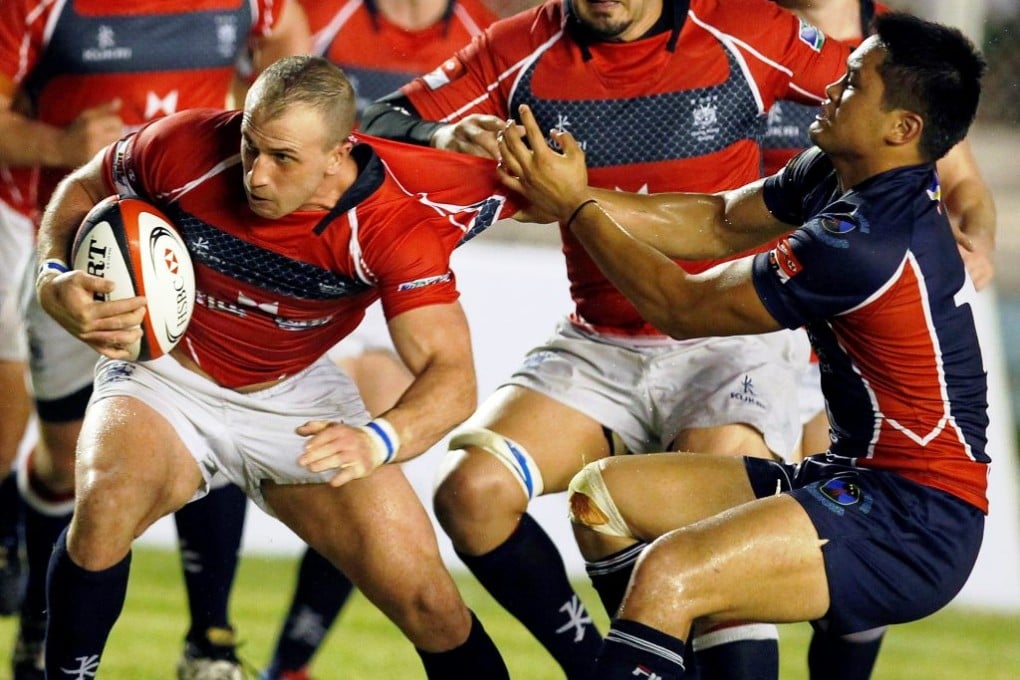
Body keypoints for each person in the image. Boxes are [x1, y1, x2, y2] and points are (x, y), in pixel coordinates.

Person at [360, 0, 852, 676]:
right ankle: (595, 665)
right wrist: (443, 136)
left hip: (728, 338)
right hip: (601, 341)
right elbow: (374, 120)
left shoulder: (745, 29)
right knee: (471, 492)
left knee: (717, 513)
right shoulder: (518, 47)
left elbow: (891, 98)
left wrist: (943, 187)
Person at [495, 11, 989, 680]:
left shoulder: (864, 241)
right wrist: (575, 195)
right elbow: (719, 220)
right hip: (853, 478)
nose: (829, 90)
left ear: (901, 129)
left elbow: (682, 306)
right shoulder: (838, 176)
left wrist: (577, 211)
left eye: (851, 83)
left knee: (670, 572)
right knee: (600, 498)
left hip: (913, 519)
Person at [35, 54, 520, 679]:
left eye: (283, 158)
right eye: (250, 145)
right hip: (167, 377)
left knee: (432, 604)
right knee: (104, 505)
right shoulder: (184, 144)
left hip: (297, 400)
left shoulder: (393, 225)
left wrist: (379, 438)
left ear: (339, 153)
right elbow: (84, 186)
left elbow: (452, 377)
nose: (256, 175)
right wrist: (53, 272)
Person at [0, 2, 310, 677]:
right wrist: (58, 146)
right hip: (78, 254)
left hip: (200, 254)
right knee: (66, 464)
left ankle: (210, 641)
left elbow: (294, 58)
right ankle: (40, 626)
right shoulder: (35, 8)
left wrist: (250, 126)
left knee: (213, 429)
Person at [256, 3, 501, 678]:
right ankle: (218, 638)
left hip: (402, 270)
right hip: (302, 268)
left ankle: (286, 662)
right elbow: (260, 116)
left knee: (356, 472)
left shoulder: (483, 33)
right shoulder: (320, 16)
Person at [763, 4, 996, 678]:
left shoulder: (900, 52)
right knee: (733, 548)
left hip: (860, 336)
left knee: (842, 566)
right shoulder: (746, 26)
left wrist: (973, 241)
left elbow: (964, 183)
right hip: (760, 321)